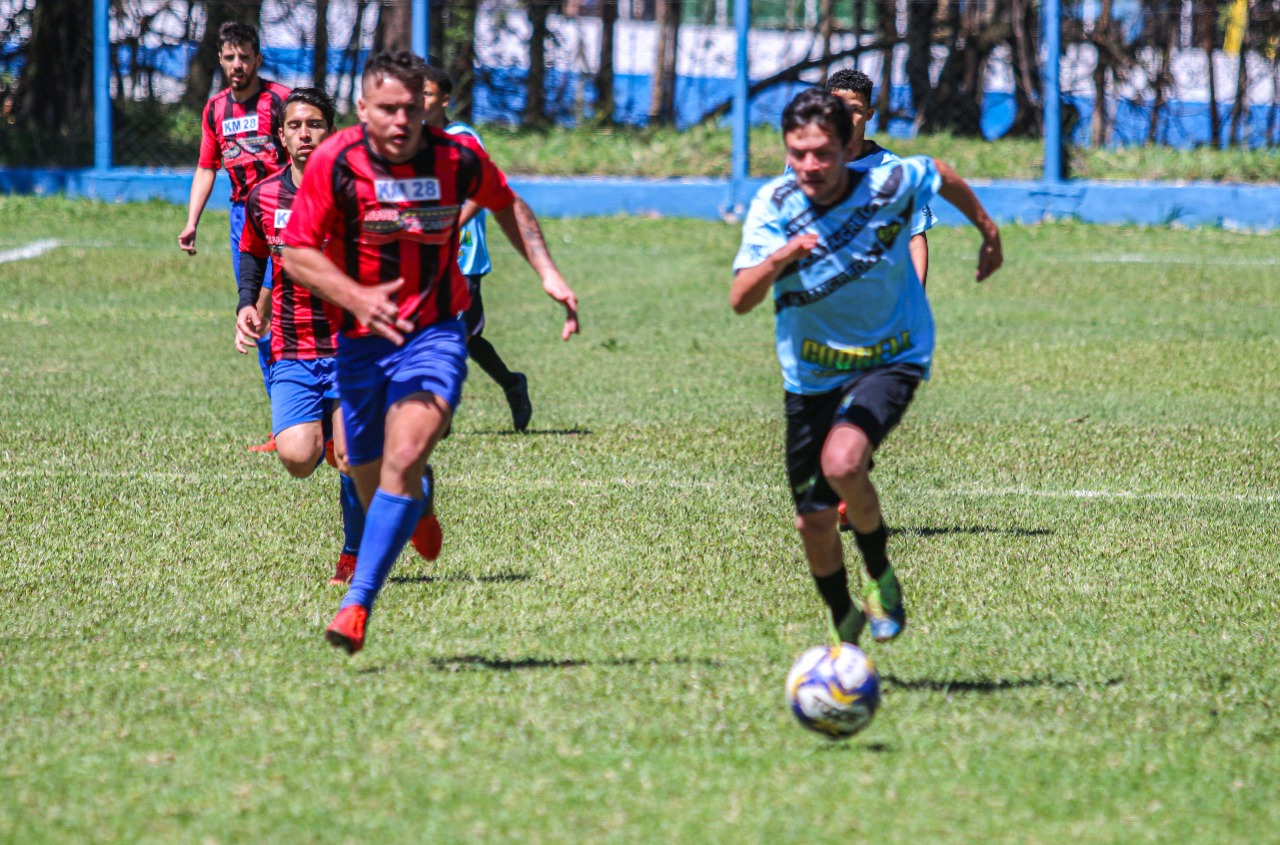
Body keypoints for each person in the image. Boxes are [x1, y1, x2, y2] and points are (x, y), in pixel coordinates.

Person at [282, 52, 579, 655]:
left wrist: (547, 273)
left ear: (428, 109)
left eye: (410, 110)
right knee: (364, 471)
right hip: (361, 344)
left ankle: (356, 605)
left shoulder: (456, 158)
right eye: (386, 109)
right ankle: (416, 505)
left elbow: (507, 202)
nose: (399, 121)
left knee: (408, 450)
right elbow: (296, 253)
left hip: (435, 333)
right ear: (363, 109)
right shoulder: (336, 163)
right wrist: (355, 295)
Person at [731, 88, 1002, 646]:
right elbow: (740, 298)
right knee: (813, 522)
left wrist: (987, 230)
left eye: (823, 153)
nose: (810, 165)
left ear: (846, 144)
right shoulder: (774, 205)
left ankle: (880, 574)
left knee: (845, 460)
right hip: (810, 374)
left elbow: (941, 173)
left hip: (891, 355)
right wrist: (780, 258)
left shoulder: (888, 183)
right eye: (799, 152)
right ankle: (844, 620)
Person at [178, 21, 290, 452]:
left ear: (258, 59)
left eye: (245, 56)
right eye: (230, 57)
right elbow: (208, 167)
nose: (238, 65)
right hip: (244, 218)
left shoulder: (280, 101)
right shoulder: (214, 110)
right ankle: (285, 425)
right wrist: (193, 221)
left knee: (275, 312)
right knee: (258, 319)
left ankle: (309, 421)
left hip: (285, 214)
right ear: (221, 61)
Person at [421, 67, 535, 432]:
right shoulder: (414, 141)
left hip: (463, 257)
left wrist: (453, 223)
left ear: (444, 99)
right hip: (427, 258)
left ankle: (443, 411)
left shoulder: (462, 137)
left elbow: (482, 188)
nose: (417, 101)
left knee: (460, 335)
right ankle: (510, 383)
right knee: (454, 335)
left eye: (425, 94)